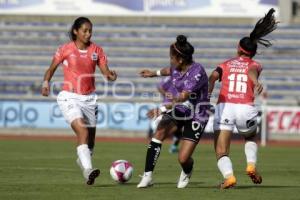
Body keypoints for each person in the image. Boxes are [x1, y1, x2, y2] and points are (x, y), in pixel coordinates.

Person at [41, 17, 117, 185]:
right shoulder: (65, 49)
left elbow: (106, 72)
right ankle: (88, 170)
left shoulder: (97, 50)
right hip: (69, 96)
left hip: (89, 99)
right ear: (76, 31)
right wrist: (46, 82)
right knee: (82, 132)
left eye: (90, 31)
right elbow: (51, 68)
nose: (88, 34)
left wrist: (111, 76)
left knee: (90, 142)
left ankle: (83, 161)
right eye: (85, 30)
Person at [208, 8, 278, 189]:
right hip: (246, 107)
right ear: (252, 52)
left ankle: (229, 177)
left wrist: (208, 92)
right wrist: (255, 82)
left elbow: (213, 76)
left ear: (239, 48)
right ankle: (251, 165)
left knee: (221, 150)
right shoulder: (255, 64)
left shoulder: (225, 64)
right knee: (250, 137)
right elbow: (251, 71)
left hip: (225, 106)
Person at [137, 35, 210, 188]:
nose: (170, 60)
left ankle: (187, 170)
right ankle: (147, 176)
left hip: (197, 114)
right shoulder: (177, 67)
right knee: (159, 132)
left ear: (181, 60)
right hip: (181, 110)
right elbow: (168, 71)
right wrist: (153, 73)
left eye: (172, 57)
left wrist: (162, 108)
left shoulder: (197, 72)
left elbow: (183, 97)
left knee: (183, 158)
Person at [147, 77, 181, 153]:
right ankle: (155, 142)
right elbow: (160, 87)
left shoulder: (187, 77)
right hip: (168, 105)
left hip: (179, 105)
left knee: (178, 127)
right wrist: (166, 94)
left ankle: (173, 146)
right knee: (166, 126)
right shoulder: (171, 76)